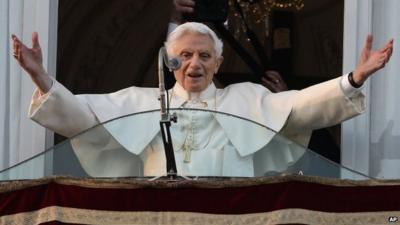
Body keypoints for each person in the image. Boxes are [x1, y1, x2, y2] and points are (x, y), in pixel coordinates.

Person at [11, 22, 393, 177]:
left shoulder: (246, 99)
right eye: (185, 55)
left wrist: (354, 78)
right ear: (169, 61)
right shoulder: (140, 101)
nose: (195, 63)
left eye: (205, 56)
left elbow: (299, 107)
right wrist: (41, 77)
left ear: (218, 63)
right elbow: (83, 117)